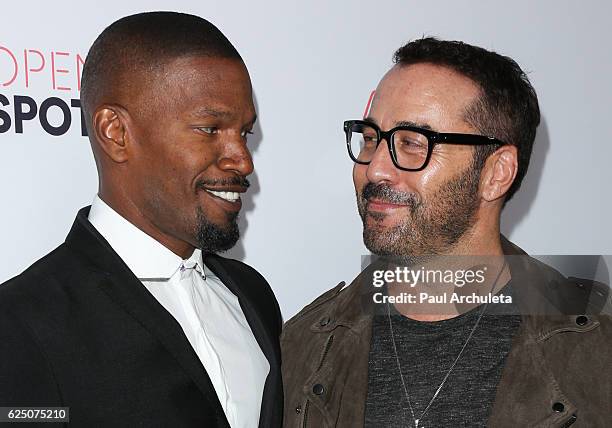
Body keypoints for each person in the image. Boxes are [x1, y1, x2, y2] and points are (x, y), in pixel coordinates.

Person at [281, 37, 611, 427]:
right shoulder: (303, 346)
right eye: (371, 139)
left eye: (412, 143)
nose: (375, 170)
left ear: (495, 173)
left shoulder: (597, 348)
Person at [0, 12, 282, 427]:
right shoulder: (20, 325)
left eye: (244, 132)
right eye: (209, 129)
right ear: (116, 132)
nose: (242, 159)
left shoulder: (252, 295)